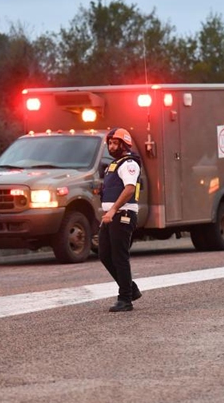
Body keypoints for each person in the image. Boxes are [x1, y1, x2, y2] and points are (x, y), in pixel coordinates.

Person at [99, 128, 142, 312]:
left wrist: (114, 209)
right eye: (109, 143)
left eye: (115, 143)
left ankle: (125, 299)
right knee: (104, 255)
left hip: (122, 214)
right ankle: (130, 289)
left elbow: (130, 189)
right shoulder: (113, 165)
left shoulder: (129, 163)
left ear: (124, 145)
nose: (111, 146)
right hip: (111, 216)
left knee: (119, 257)